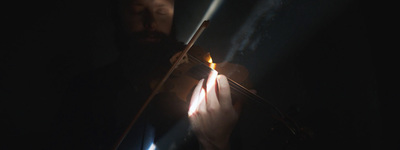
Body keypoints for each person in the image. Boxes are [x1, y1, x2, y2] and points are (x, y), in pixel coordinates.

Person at [53, 0, 241, 149]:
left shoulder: (199, 95)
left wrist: (216, 144)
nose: (151, 23)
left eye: (161, 11)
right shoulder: (83, 89)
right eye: (138, 10)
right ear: (119, 16)